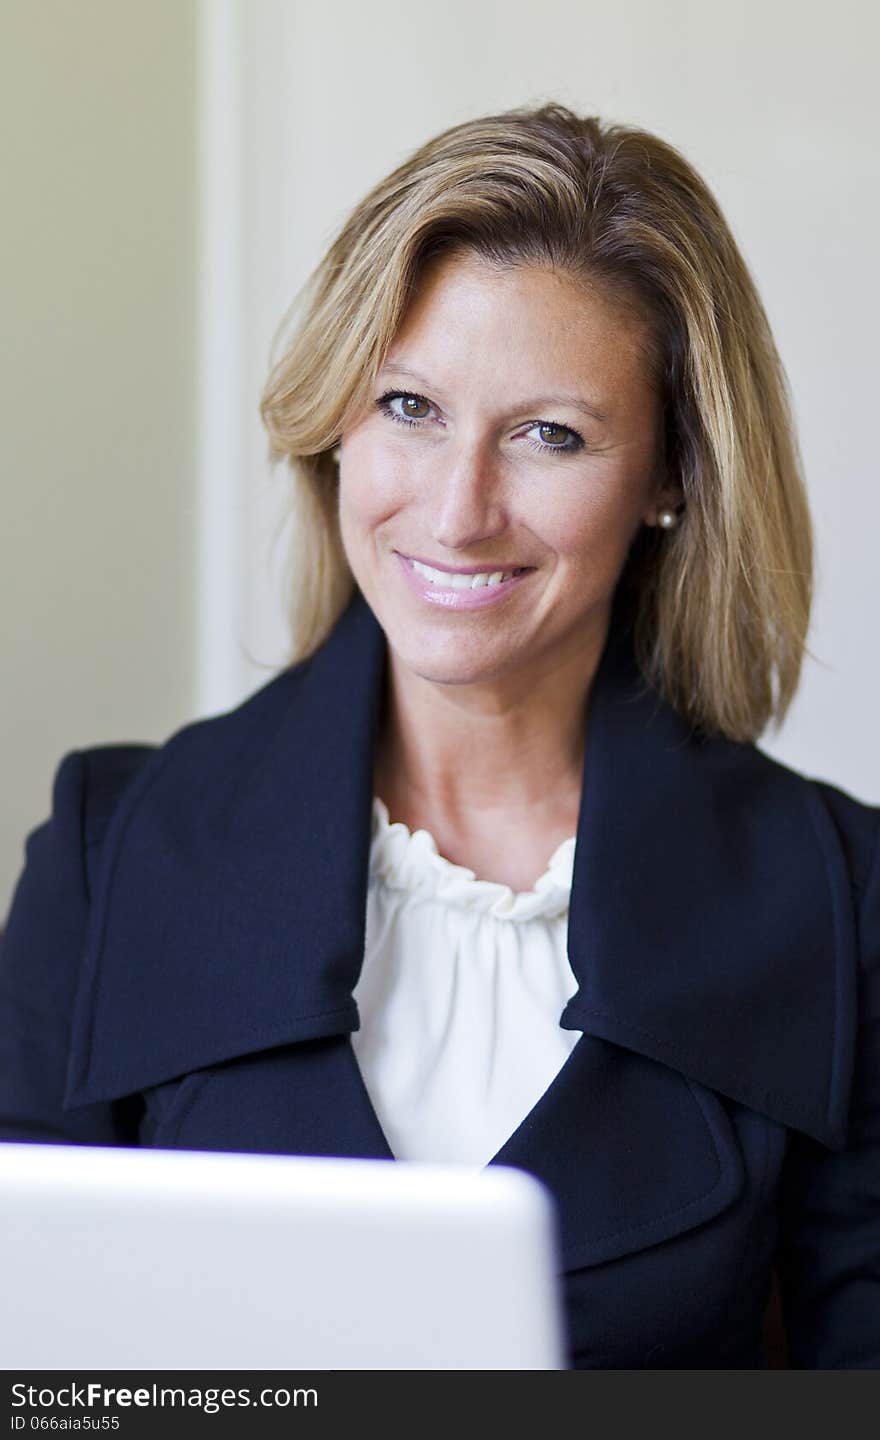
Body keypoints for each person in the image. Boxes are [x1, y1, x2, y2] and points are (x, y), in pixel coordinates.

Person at [1, 102, 878, 1370]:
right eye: (409, 406)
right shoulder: (108, 851)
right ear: (337, 423)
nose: (458, 511)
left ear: (673, 475)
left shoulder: (838, 901)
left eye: (548, 435)